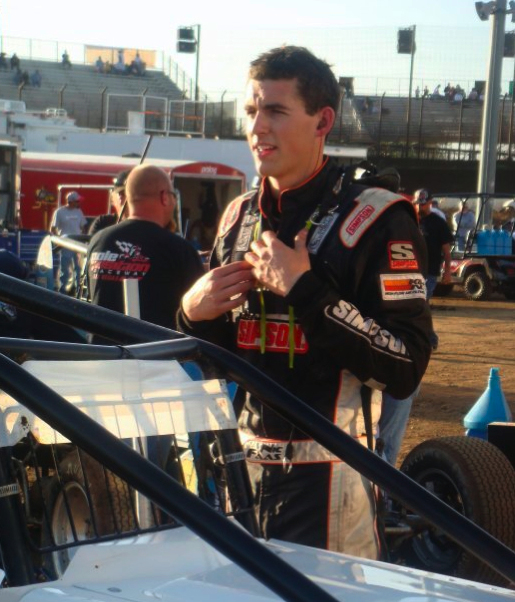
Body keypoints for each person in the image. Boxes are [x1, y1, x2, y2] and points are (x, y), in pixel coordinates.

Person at [178, 46, 432, 559]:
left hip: (333, 483)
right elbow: (218, 356)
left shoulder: (379, 218)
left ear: (323, 122)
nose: (257, 128)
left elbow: (406, 367)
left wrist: (306, 291)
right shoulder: (238, 217)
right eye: (251, 111)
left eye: (275, 110)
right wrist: (191, 314)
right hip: (240, 478)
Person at [86, 164, 204, 343]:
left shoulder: (99, 241)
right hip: (155, 355)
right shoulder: (179, 249)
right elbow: (199, 311)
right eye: (173, 196)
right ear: (165, 197)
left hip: (100, 352)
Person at [50, 190, 87, 294]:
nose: (78, 203)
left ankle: (78, 289)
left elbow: (83, 226)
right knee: (65, 268)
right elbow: (53, 227)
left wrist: (84, 238)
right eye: (77, 201)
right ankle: (63, 290)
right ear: (70, 201)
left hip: (78, 244)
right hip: (65, 243)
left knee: (79, 268)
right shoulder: (59, 212)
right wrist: (58, 240)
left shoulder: (79, 212)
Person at [88, 170, 130, 235]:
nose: (121, 197)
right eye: (120, 193)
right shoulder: (103, 222)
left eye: (125, 193)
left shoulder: (145, 227)